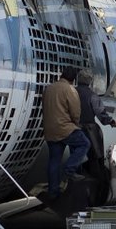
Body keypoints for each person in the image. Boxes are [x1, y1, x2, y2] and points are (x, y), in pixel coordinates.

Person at [42, 66, 90, 199]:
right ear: (73, 79)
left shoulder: (49, 88)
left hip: (50, 130)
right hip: (65, 128)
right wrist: (76, 124)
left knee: (54, 161)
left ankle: (53, 192)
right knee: (84, 143)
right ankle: (70, 169)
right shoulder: (69, 89)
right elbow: (75, 112)